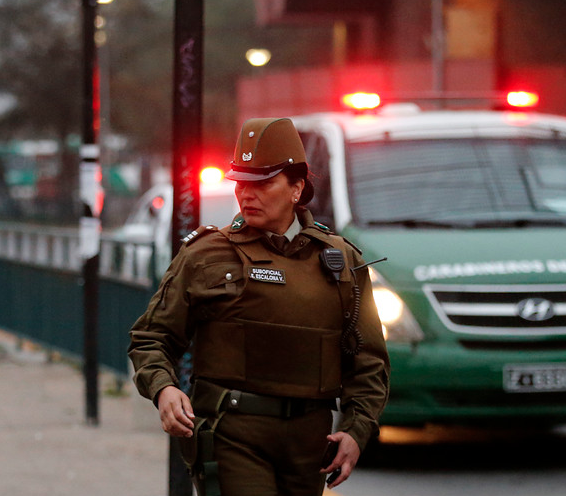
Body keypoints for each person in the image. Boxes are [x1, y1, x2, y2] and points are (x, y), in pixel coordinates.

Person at [128, 117, 390, 496]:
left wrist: (355, 430)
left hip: (309, 446)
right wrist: (164, 389)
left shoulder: (341, 261)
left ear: (296, 188)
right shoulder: (206, 255)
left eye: (263, 183)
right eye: (241, 183)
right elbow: (151, 338)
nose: (247, 194)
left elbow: (369, 362)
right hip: (232, 435)